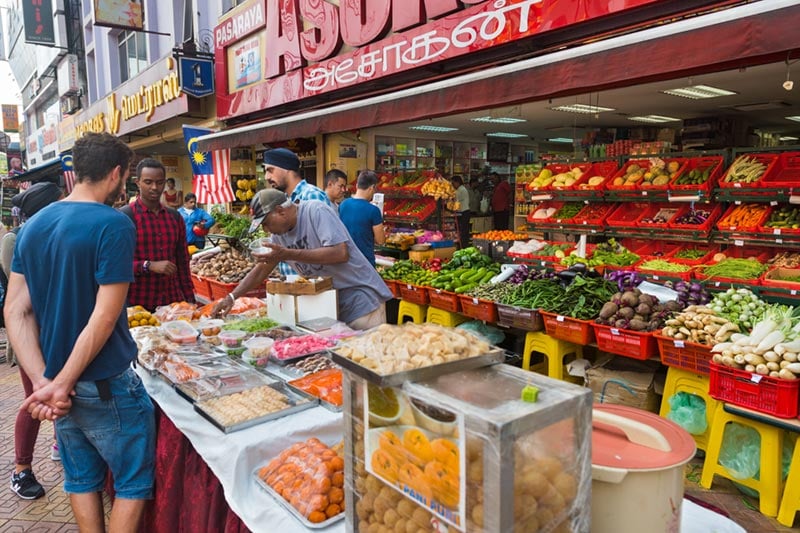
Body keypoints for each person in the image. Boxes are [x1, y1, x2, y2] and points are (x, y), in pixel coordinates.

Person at [5, 132, 155, 532]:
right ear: (118, 174)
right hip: (104, 383)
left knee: (81, 479)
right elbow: (104, 317)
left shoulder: (33, 226)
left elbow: (16, 311)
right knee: (132, 483)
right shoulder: (113, 223)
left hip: (60, 386)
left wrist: (46, 382)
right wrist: (57, 384)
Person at [212, 189, 392, 329]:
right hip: (332, 307)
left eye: (266, 223)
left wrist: (288, 254)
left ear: (280, 210)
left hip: (361, 301)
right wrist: (232, 296)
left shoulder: (315, 210)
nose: (266, 230)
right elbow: (262, 268)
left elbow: (340, 252)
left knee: (367, 367)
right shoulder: (280, 235)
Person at [3, 182, 64, 500]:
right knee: (34, 399)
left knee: (59, 394)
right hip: (32, 334)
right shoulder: (18, 239)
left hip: (58, 330)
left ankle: (60, 446)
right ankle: (21, 470)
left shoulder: (58, 232)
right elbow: (18, 301)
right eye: (59, 201)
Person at [125, 158, 195, 311]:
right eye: (148, 182)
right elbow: (115, 265)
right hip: (139, 304)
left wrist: (189, 298)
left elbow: (183, 261)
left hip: (172, 302)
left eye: (159, 182)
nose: (154, 187)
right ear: (138, 182)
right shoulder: (125, 217)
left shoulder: (175, 217)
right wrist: (147, 265)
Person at [262, 148, 331, 276]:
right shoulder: (283, 201)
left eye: (270, 170)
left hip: (316, 286)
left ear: (286, 168)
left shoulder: (312, 196)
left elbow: (329, 250)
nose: (267, 177)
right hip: (296, 285)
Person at [338, 170, 385, 267]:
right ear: (372, 188)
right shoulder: (373, 210)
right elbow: (380, 241)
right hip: (365, 262)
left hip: (346, 261)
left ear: (356, 185)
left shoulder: (343, 204)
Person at [451, 175, 471, 248]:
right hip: (462, 212)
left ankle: (463, 246)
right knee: (462, 230)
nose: (453, 185)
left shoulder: (461, 190)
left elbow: (454, 199)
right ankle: (462, 245)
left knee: (463, 231)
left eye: (453, 183)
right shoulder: (460, 189)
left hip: (464, 212)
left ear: (457, 182)